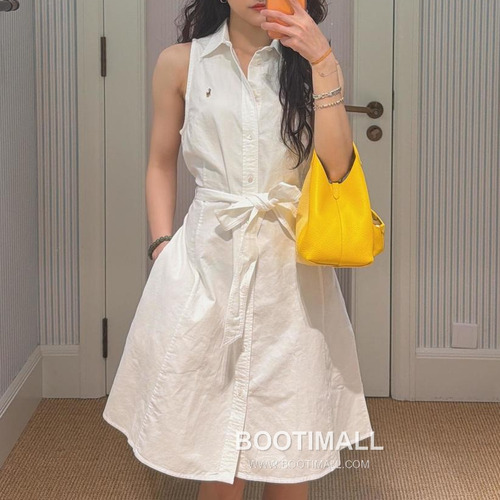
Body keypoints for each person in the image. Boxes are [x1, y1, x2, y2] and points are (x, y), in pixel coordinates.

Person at [103, 0, 374, 499]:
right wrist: (162, 246)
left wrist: (322, 62)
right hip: (207, 268)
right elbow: (160, 162)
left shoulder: (311, 63)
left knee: (289, 455)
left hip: (290, 276)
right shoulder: (180, 63)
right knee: (218, 454)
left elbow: (337, 168)